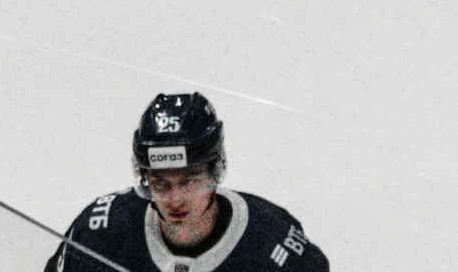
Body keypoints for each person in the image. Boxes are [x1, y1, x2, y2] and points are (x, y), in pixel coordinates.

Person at [53, 94, 329, 272]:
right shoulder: (101, 231)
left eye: (189, 181)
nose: (175, 199)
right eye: (160, 183)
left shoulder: (271, 242)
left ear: (215, 172)